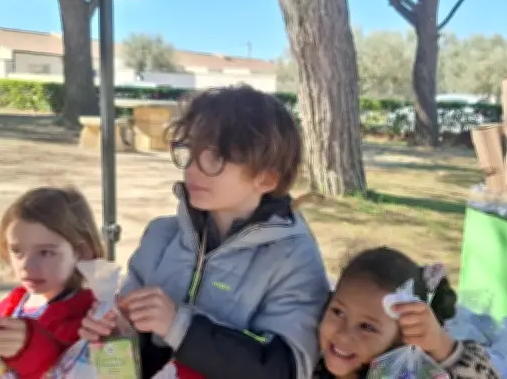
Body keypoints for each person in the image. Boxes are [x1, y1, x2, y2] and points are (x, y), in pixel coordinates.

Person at [79, 85, 331, 379]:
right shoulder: (161, 236)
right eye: (190, 150)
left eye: (216, 157)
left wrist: (180, 326)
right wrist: (115, 331)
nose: (192, 169)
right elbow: (134, 344)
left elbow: (286, 367)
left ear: (265, 179)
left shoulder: (293, 258)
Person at [0, 186, 106, 379]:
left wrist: (27, 347)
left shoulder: (90, 316)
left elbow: (62, 362)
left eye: (45, 252)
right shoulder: (9, 307)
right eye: (17, 251)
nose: (27, 266)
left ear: (82, 252)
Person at [314, 247, 500, 379]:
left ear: (402, 338)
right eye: (338, 312)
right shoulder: (309, 359)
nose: (343, 334)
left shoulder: (408, 374)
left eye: (367, 327)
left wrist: (442, 345)